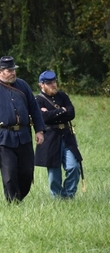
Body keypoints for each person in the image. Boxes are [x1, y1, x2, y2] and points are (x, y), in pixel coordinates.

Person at [0, 56, 45, 203]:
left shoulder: (23, 85)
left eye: (13, 70)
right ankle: (13, 202)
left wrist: (39, 130)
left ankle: (19, 198)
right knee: (9, 174)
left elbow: (34, 109)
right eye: (9, 71)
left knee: (27, 172)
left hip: (24, 135)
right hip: (4, 137)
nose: (13, 73)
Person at [34, 70, 82, 198]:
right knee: (54, 171)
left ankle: (69, 195)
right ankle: (57, 197)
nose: (53, 85)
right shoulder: (38, 100)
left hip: (66, 136)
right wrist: (62, 110)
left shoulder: (63, 96)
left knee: (74, 167)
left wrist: (52, 113)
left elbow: (71, 113)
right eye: (49, 83)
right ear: (41, 85)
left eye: (54, 82)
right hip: (50, 137)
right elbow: (43, 117)